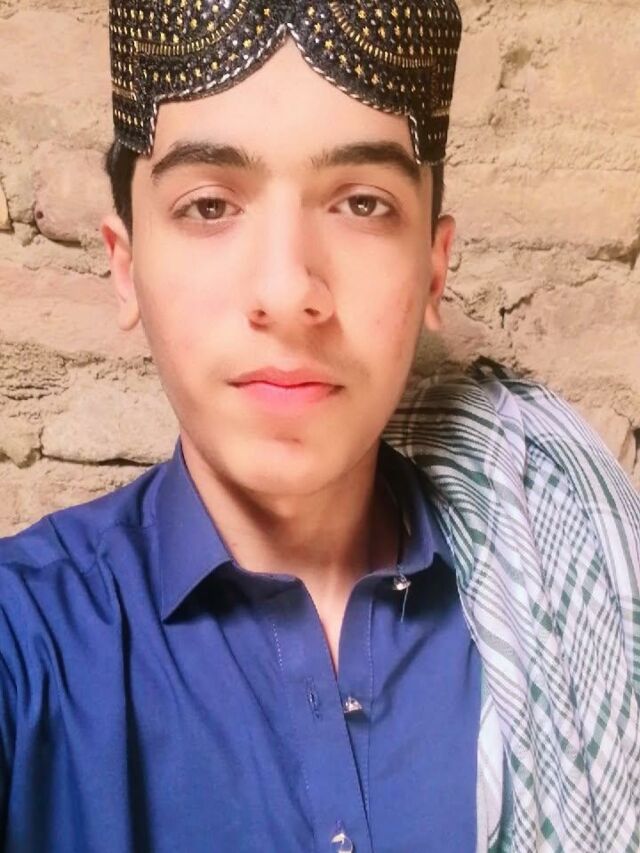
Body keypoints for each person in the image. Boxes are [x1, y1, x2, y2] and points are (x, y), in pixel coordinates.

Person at [1, 2, 638, 851]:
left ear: (434, 266)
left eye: (362, 203)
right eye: (209, 206)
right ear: (126, 266)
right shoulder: (28, 640)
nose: (287, 291)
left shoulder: (560, 596)